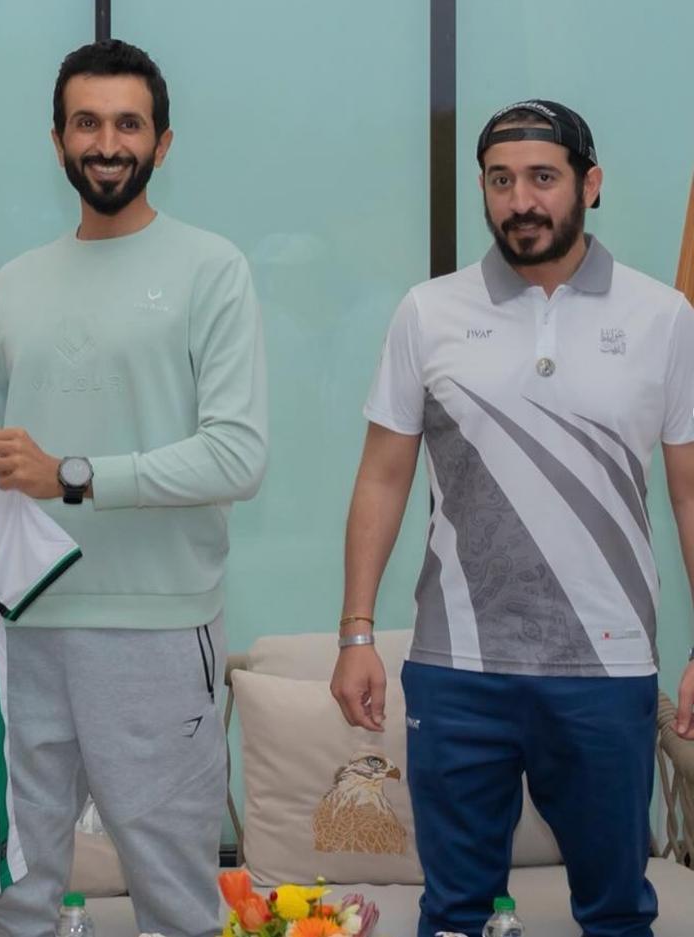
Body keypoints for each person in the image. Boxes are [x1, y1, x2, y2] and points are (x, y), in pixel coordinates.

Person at [330, 99, 694, 937]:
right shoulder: (429, 311)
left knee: (615, 912)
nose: (520, 200)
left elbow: (686, 492)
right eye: (500, 181)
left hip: (607, 672)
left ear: (589, 185)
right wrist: (356, 632)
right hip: (457, 669)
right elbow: (382, 478)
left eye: (542, 178)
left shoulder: (662, 317)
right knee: (455, 912)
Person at [0, 39, 266, 937]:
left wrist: (74, 476)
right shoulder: (16, 282)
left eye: (128, 123)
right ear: (57, 139)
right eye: (86, 122)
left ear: (162, 143)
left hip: (160, 634)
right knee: (14, 895)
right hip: (18, 625)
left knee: (175, 898)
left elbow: (238, 457)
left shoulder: (213, 268)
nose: (107, 141)